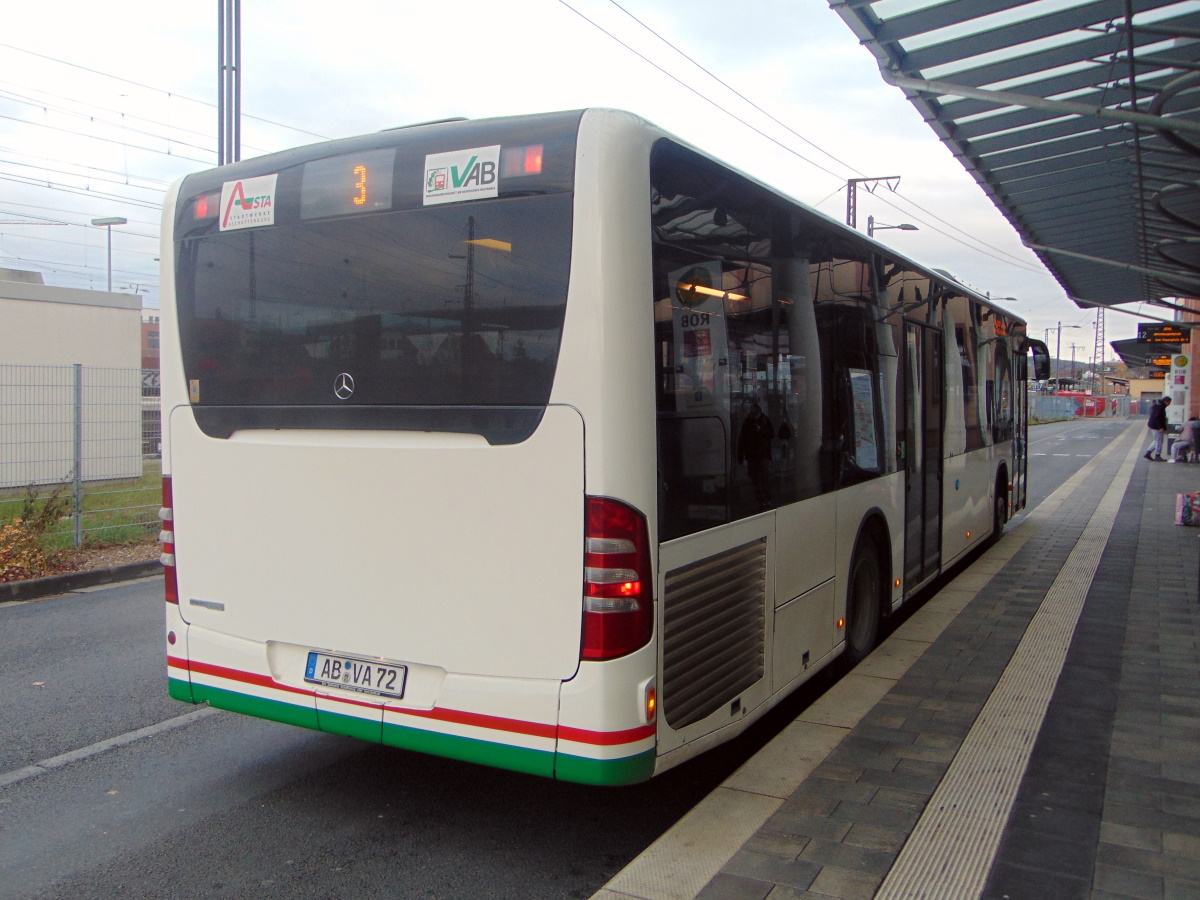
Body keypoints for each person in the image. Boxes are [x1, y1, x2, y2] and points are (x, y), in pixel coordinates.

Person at [738, 402, 775, 508]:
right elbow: (743, 440)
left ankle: (765, 499)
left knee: (763, 477)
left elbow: (771, 434)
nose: (755, 416)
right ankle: (762, 499)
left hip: (758, 454)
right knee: (757, 478)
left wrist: (761, 431)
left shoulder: (761, 421)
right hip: (755, 454)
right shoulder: (752, 421)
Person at [1145, 396, 1172, 460]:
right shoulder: (1160, 407)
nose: (1169, 404)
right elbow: (1157, 417)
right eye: (1169, 402)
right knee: (1159, 441)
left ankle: (1148, 453)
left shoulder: (1159, 406)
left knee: (1157, 441)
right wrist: (1160, 427)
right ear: (1166, 401)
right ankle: (1157, 455)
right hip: (1156, 427)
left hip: (1153, 425)